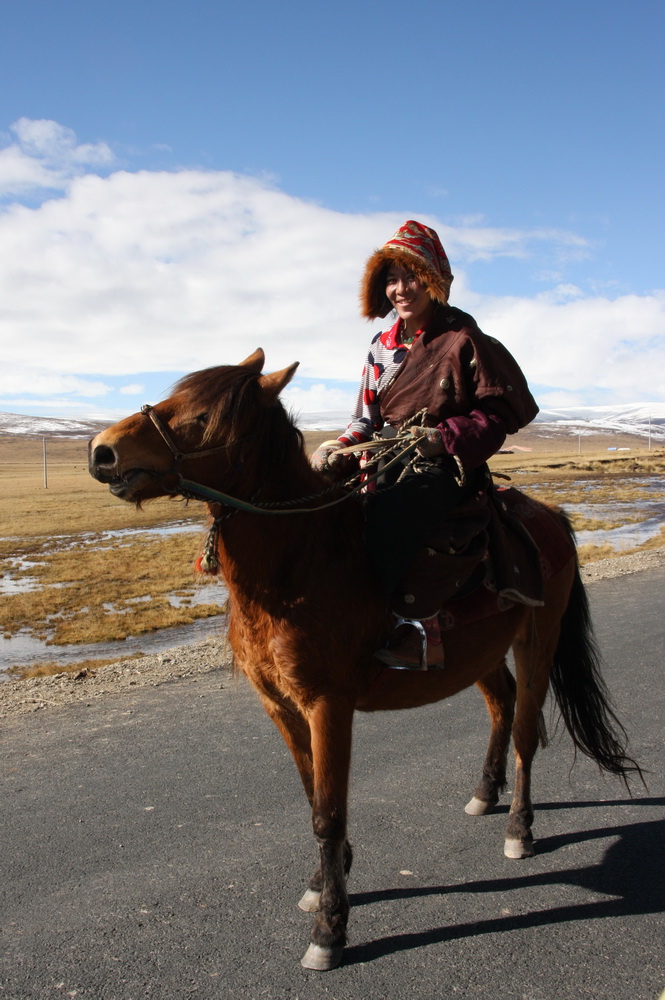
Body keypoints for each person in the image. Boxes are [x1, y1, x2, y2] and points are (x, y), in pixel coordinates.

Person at [312, 220, 538, 669]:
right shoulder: (380, 345)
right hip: (385, 458)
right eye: (392, 279)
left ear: (433, 280)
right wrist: (334, 447)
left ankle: (419, 631)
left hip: (445, 463)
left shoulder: (463, 339)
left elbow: (496, 415)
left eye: (411, 276)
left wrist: (445, 437)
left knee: (392, 514)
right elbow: (366, 418)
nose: (401, 288)